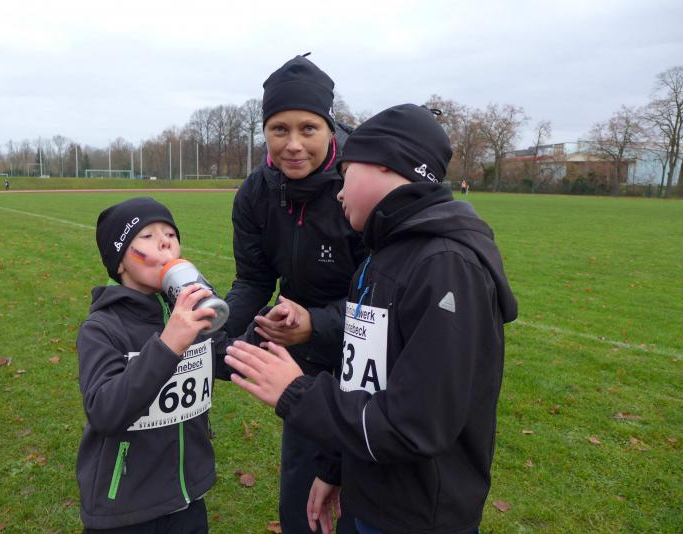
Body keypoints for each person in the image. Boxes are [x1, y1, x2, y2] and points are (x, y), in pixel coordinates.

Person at [225, 104, 518, 534]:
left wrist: (295, 392)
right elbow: (363, 381)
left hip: (418, 517)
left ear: (386, 165)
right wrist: (334, 467)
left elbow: (415, 425)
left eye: (346, 175)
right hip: (366, 495)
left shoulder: (445, 266)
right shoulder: (378, 260)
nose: (338, 193)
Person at [223, 53, 365, 534]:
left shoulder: (360, 185)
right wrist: (214, 333)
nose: (294, 144)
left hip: (370, 353)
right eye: (279, 129)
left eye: (308, 128)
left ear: (329, 126)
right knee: (303, 492)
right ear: (264, 131)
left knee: (363, 490)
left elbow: (388, 298)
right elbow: (253, 280)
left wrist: (316, 323)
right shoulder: (255, 193)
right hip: (301, 358)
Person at [76, 197, 219, 533]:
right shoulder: (102, 328)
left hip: (188, 497)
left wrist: (267, 328)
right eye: (147, 236)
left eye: (170, 234)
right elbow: (104, 410)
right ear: (120, 262)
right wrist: (169, 345)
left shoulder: (184, 313)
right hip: (127, 507)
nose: (165, 242)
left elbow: (225, 352)